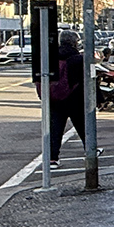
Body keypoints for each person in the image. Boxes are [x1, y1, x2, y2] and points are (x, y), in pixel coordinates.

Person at [40, 30, 84, 169]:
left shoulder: (51, 57)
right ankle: (90, 150)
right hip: (74, 99)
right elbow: (83, 80)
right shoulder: (77, 58)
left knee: (55, 129)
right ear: (75, 42)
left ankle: (53, 158)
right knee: (83, 127)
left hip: (55, 99)